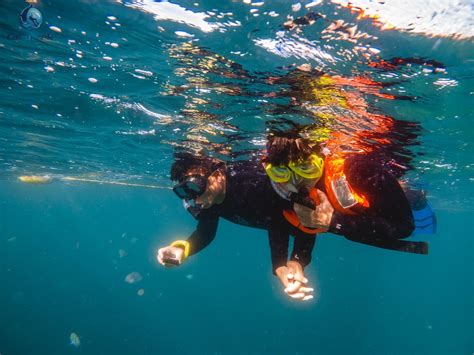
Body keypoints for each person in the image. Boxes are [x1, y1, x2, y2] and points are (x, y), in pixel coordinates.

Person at [157, 152, 317, 301]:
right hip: (306, 227)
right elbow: (205, 233)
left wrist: (292, 261)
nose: (196, 198)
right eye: (185, 191)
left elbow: (295, 219)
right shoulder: (210, 198)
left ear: (218, 175)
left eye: (196, 185)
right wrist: (181, 249)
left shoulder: (251, 180)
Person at [263, 131, 429, 254]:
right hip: (350, 215)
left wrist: (334, 222)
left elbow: (404, 227)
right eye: (281, 172)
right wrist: (290, 265)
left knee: (412, 198)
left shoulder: (361, 170)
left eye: (306, 168)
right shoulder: (278, 182)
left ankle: (414, 194)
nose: (297, 181)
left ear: (321, 159)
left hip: (380, 197)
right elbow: (285, 220)